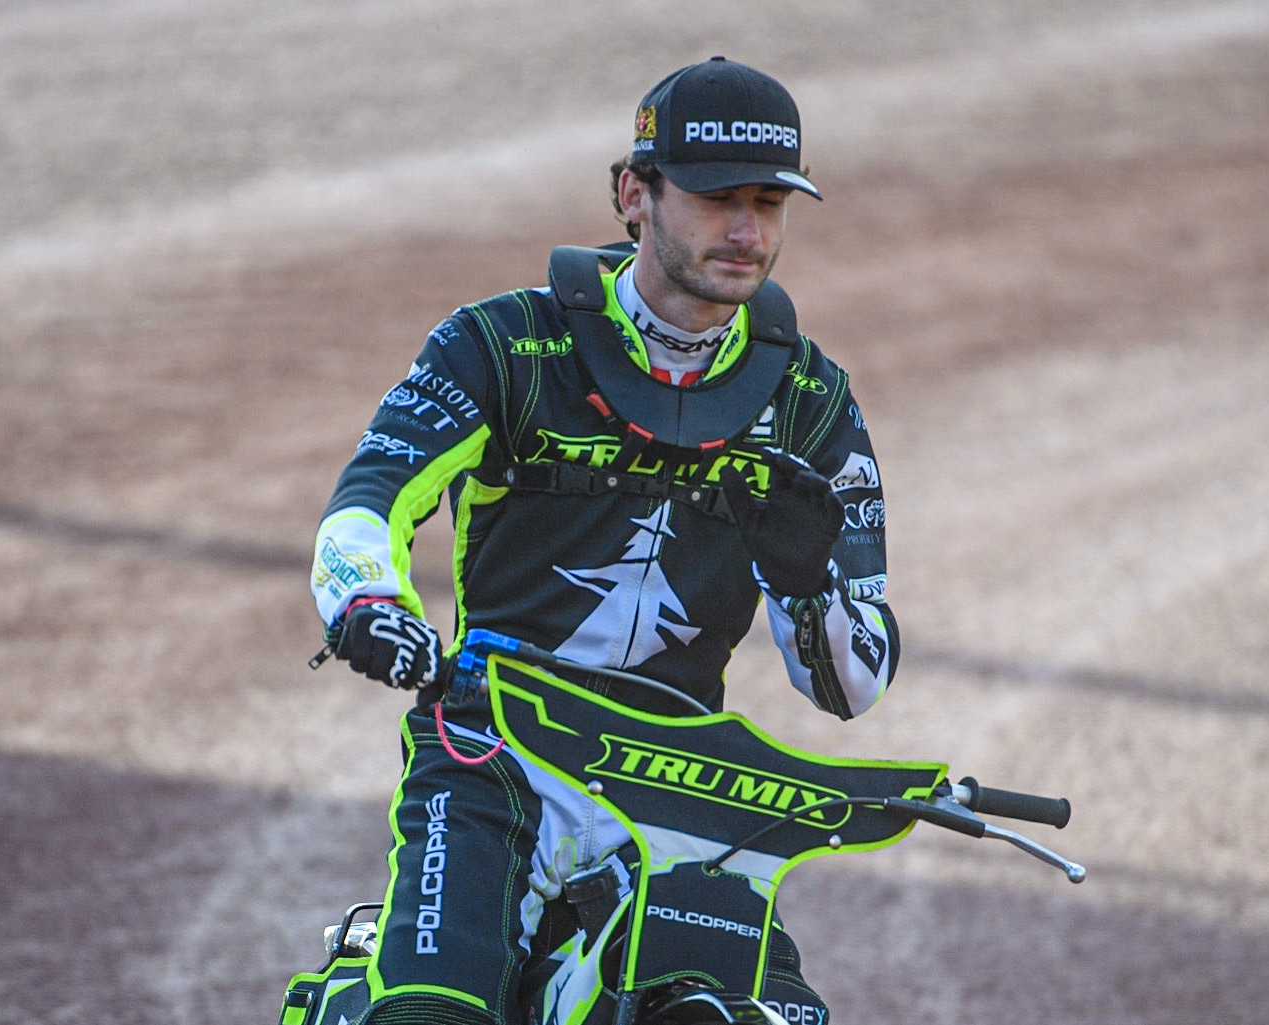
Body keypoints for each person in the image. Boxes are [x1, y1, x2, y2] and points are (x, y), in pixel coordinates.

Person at [309, 56, 896, 1025]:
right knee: (425, 1014)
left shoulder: (810, 398)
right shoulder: (502, 342)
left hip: (682, 777)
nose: (746, 231)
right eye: (714, 199)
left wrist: (804, 584)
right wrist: (369, 602)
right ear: (634, 194)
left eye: (768, 202)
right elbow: (370, 498)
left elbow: (852, 684)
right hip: (492, 749)